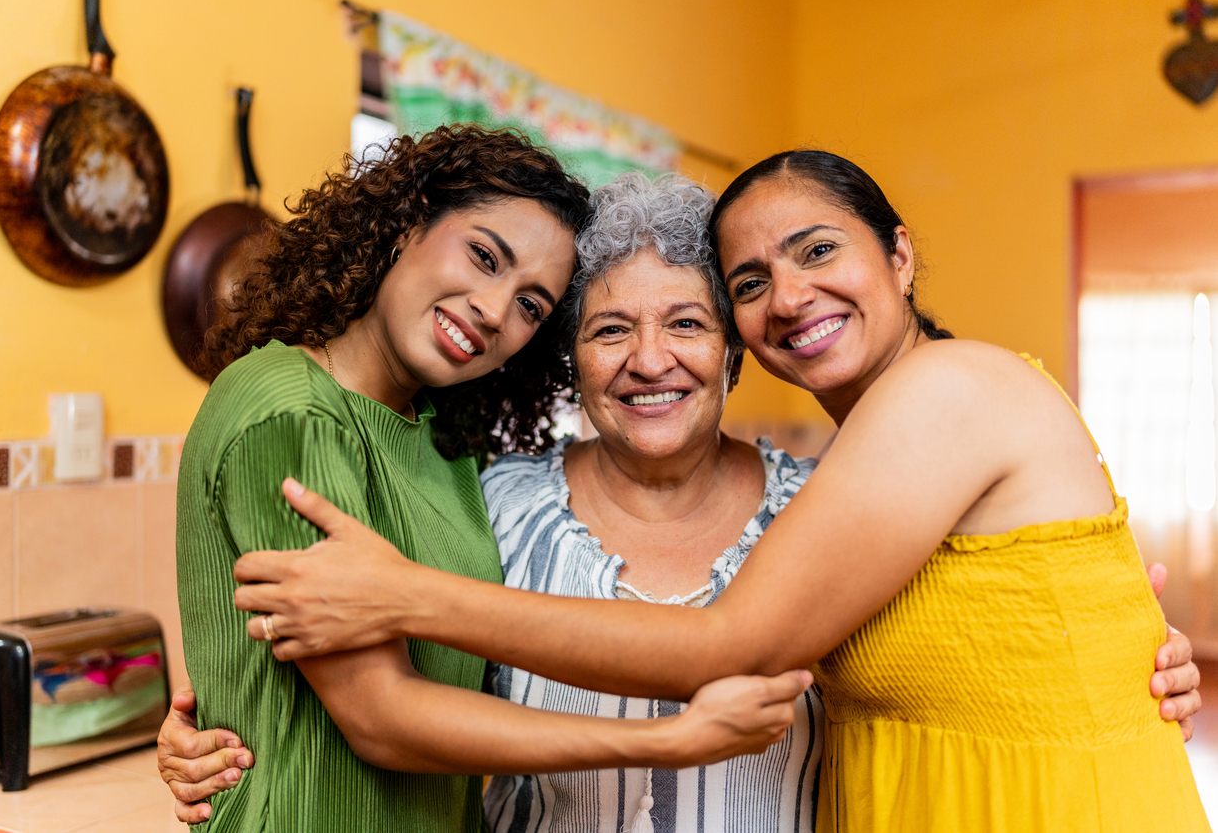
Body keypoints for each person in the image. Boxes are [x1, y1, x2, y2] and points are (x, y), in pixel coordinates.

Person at [167, 169, 1204, 831]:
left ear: (733, 355)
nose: (649, 359)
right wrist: (209, 719)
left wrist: (1129, 653)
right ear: (566, 363)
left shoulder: (824, 508)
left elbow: (991, 619)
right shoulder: (489, 504)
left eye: (689, 323)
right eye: (607, 329)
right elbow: (380, 679)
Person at [173, 130, 809, 833]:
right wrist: (667, 740)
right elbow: (376, 711)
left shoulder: (446, 444)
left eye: (531, 305)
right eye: (484, 256)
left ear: (733, 351)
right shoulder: (300, 415)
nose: (494, 309)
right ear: (407, 222)